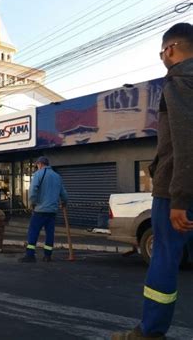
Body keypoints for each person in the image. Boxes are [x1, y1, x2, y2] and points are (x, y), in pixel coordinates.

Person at [112, 23, 193, 340]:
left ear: (171, 49)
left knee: (165, 258)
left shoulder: (179, 82)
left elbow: (186, 141)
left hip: (177, 191)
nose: (162, 58)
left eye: (161, 52)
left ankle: (150, 331)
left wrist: (180, 198)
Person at [19, 156, 68, 263]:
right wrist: (64, 202)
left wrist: (32, 203)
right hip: (52, 211)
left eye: (37, 165)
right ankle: (47, 256)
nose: (37, 167)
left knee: (33, 232)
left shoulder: (38, 174)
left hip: (40, 210)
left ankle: (30, 255)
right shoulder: (57, 176)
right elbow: (63, 193)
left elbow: (32, 191)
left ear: (40, 164)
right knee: (50, 233)